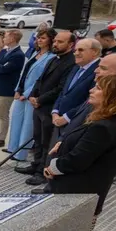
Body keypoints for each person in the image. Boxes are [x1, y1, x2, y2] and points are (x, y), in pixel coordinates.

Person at [44, 74, 116, 216]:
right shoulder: (112, 121)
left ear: (113, 96)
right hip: (81, 195)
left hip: (73, 196)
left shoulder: (103, 127)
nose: (91, 90)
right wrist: (63, 144)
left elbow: (78, 160)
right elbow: (89, 147)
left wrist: (52, 168)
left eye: (97, 88)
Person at [20, 31, 77, 185]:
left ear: (71, 45)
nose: (55, 44)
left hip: (49, 108)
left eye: (60, 42)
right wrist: (33, 95)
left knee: (46, 142)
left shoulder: (71, 62)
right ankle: (36, 164)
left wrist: (40, 99)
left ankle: (42, 171)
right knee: (37, 138)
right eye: (55, 41)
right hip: (38, 105)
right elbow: (40, 79)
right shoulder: (54, 58)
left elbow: (60, 88)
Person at [6, 29, 57, 160]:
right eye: (38, 38)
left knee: (27, 125)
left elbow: (39, 79)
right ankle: (12, 148)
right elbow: (25, 72)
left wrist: (27, 93)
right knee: (16, 120)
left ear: (51, 40)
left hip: (32, 95)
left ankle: (21, 154)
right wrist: (18, 89)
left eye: (43, 38)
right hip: (21, 91)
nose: (39, 40)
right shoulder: (35, 53)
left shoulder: (51, 58)